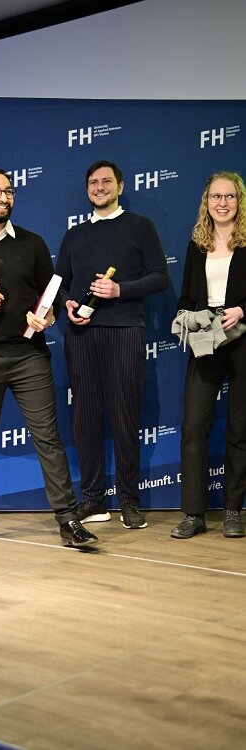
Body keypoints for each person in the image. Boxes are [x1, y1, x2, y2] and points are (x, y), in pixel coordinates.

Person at [0, 166, 97, 548]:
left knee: (48, 440)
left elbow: (51, 299)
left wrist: (47, 318)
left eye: (8, 191)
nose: (3, 197)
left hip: (29, 357)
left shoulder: (32, 244)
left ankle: (68, 521)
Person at [56, 160, 168, 530]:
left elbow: (160, 278)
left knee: (124, 418)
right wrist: (67, 305)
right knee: (86, 418)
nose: (100, 187)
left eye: (107, 181)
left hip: (125, 333)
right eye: (93, 182)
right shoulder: (74, 234)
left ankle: (129, 501)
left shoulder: (141, 226)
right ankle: (93, 499)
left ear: (120, 186)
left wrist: (120, 290)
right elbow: (60, 283)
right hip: (81, 336)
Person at [171, 172, 246, 539]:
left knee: (240, 426)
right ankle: (193, 514)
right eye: (216, 196)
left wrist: (242, 310)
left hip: (242, 337)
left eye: (229, 196)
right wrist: (184, 316)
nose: (222, 203)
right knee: (194, 425)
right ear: (207, 201)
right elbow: (187, 295)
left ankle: (233, 510)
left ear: (239, 201)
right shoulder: (196, 244)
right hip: (206, 338)